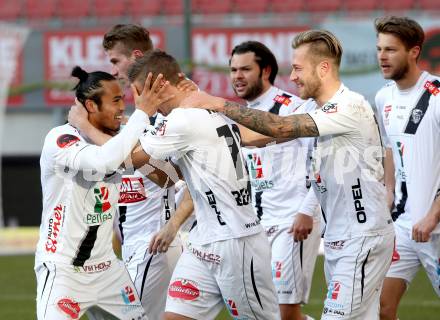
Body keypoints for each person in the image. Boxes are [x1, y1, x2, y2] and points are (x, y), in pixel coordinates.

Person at [182, 30, 395, 319]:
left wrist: (218, 103)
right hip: (341, 237)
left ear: (323, 68)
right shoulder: (313, 107)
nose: (292, 77)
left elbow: (278, 128)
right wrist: (199, 131)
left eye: (297, 68)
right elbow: (257, 137)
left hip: (361, 237)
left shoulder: (349, 106)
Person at [128, 50, 281, 320]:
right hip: (203, 241)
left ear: (159, 85)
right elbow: (176, 177)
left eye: (142, 93)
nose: (141, 102)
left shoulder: (181, 120)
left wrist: (137, 116)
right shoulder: (202, 107)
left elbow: (130, 155)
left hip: (235, 242)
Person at [34, 66, 168, 319]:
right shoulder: (61, 139)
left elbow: (168, 177)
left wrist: (138, 131)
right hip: (65, 270)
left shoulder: (119, 139)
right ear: (91, 106)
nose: (121, 108)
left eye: (123, 100)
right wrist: (141, 116)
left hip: (108, 271)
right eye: (115, 100)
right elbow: (104, 162)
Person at [101, 24, 195, 319]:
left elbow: (179, 176)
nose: (113, 71)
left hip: (154, 242)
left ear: (136, 55)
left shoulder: (177, 109)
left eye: (116, 61)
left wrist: (131, 153)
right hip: (138, 242)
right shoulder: (142, 115)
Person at [229, 40, 320, 320]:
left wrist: (308, 211)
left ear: (265, 70)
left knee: (285, 311)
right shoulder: (238, 116)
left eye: (245, 69)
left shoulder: (294, 108)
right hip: (257, 226)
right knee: (264, 310)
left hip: (291, 221)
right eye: (233, 70)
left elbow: (321, 164)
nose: (237, 76)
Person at [374, 16, 440, 320]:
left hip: (435, 226)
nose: (382, 57)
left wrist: (433, 215)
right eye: (379, 49)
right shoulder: (383, 96)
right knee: (380, 308)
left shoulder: (437, 95)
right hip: (403, 225)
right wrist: (388, 191)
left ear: (414, 52)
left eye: (391, 49)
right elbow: (390, 148)